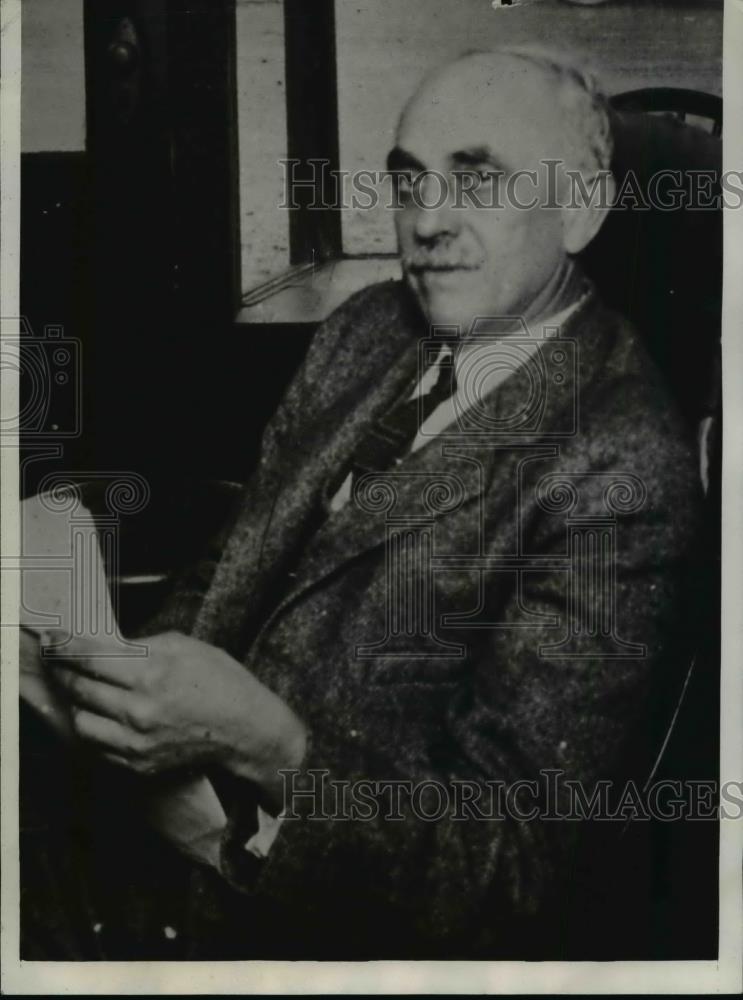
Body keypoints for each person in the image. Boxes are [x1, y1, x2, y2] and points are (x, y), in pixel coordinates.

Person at [38, 48, 701, 957]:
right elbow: (225, 574)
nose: (426, 221)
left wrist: (266, 748)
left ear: (580, 209)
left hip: (291, 933)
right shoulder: (368, 331)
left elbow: (502, 869)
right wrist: (108, 683)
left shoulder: (617, 469)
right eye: (409, 182)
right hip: (129, 851)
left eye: (478, 180)